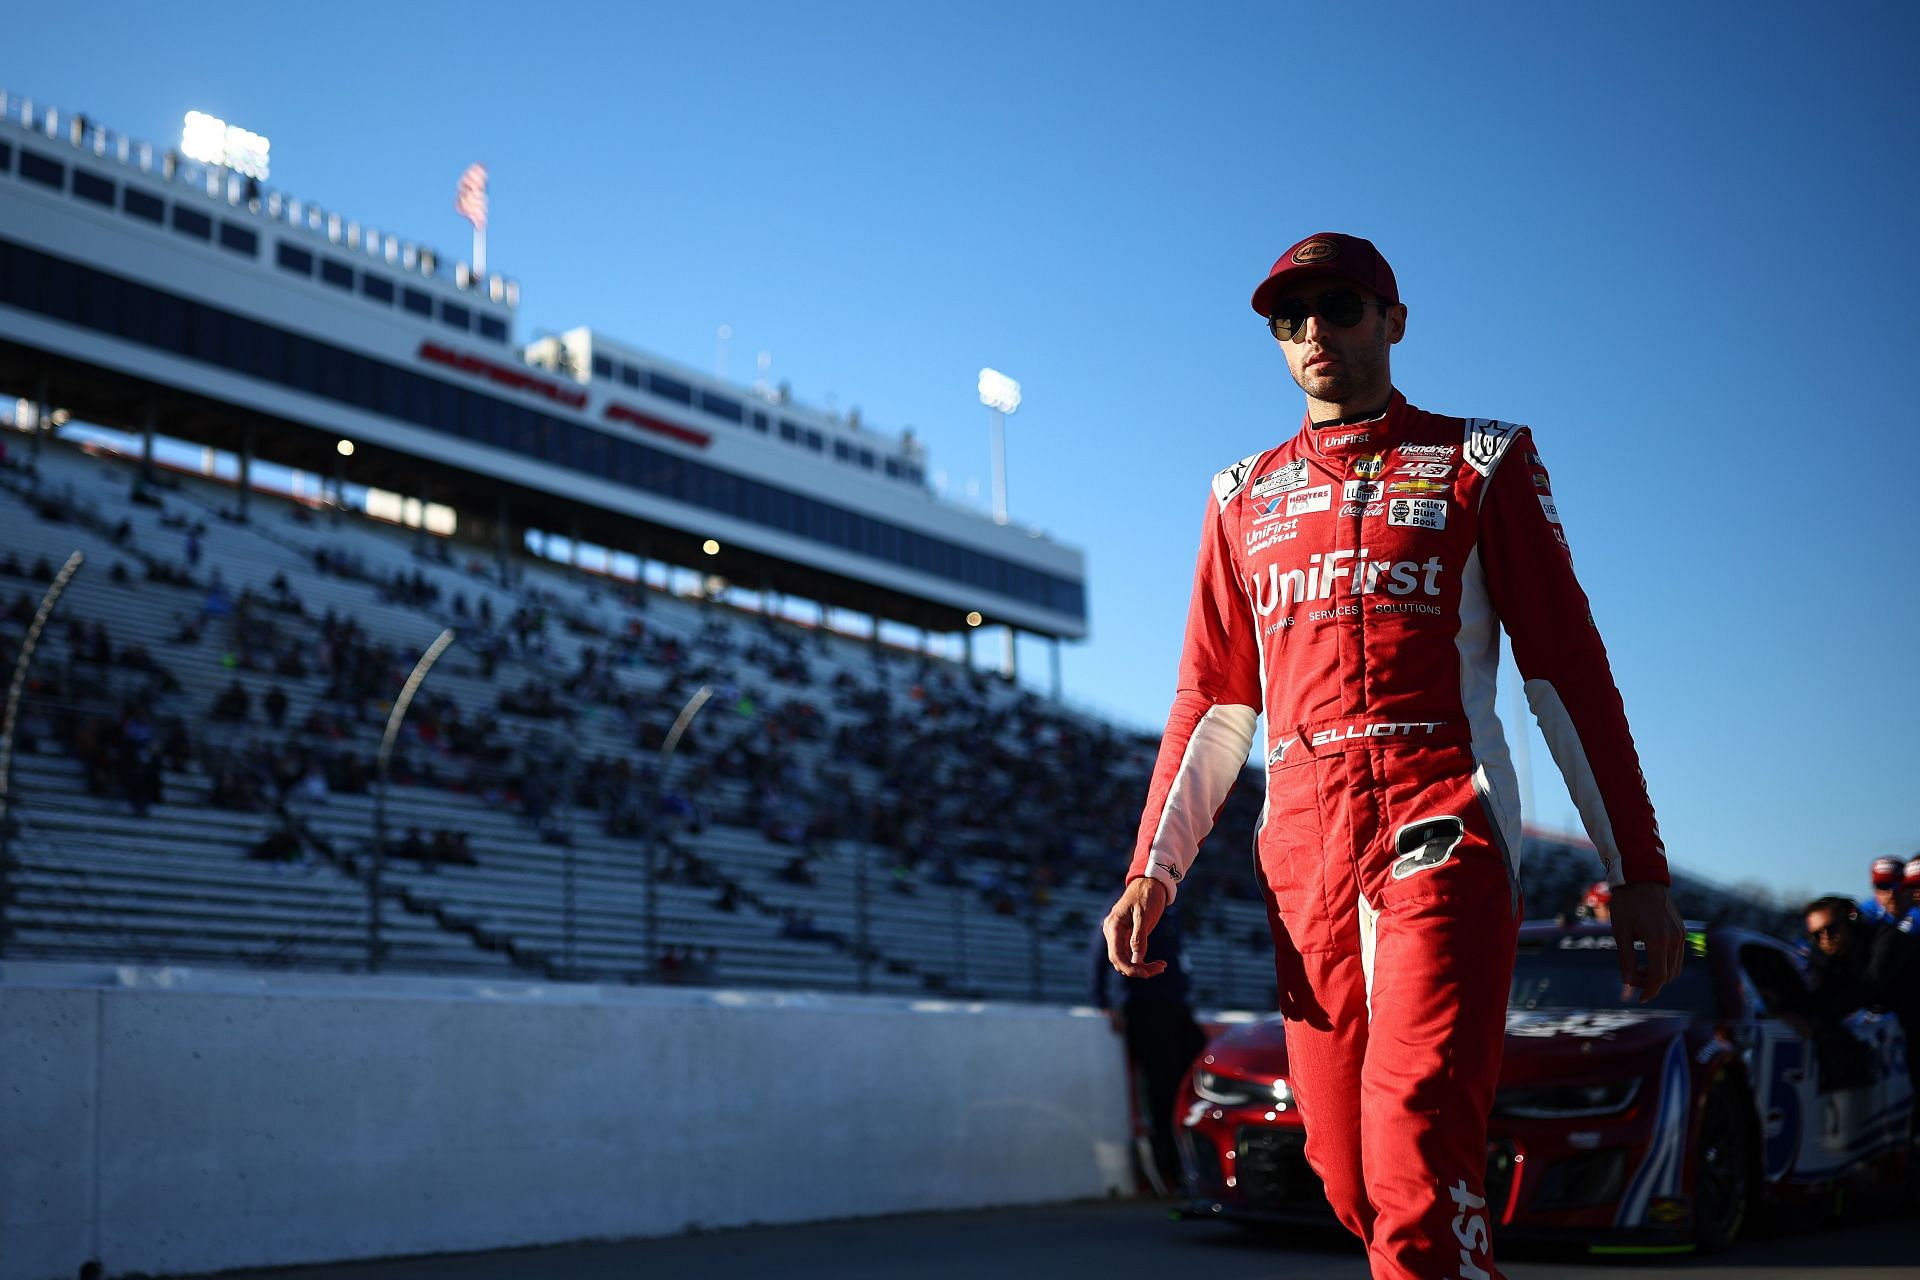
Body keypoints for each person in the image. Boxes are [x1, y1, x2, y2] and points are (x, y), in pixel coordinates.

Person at [1102, 231, 1682, 1280]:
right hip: (1303, 838)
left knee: (1414, 1141)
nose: (1315, 331)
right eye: (1291, 317)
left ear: (1394, 319)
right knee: (1348, 1170)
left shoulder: (1481, 457)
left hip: (1440, 812)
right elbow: (1214, 699)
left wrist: (1635, 868)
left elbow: (1566, 673)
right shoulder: (1238, 492)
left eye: (1340, 306)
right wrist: (1155, 866)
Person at [1089, 905, 1207, 1197]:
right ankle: (1169, 1171)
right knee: (1162, 1090)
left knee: (1200, 1080)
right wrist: (1103, 1001)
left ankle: (1198, 1168)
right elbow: (1098, 953)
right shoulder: (1124, 905)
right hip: (1145, 1005)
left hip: (1176, 1007)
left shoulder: (1170, 910)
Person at [1801, 896, 1920, 1100]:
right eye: (1816, 935)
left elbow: (1869, 986)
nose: (1825, 939)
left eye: (1831, 929)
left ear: (1852, 919)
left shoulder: (1889, 939)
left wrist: (1817, 1014)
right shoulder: (1832, 957)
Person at [1859, 855, 1910, 929]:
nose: (1891, 893)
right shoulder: (1865, 913)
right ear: (1875, 890)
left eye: (1897, 885)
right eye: (1883, 886)